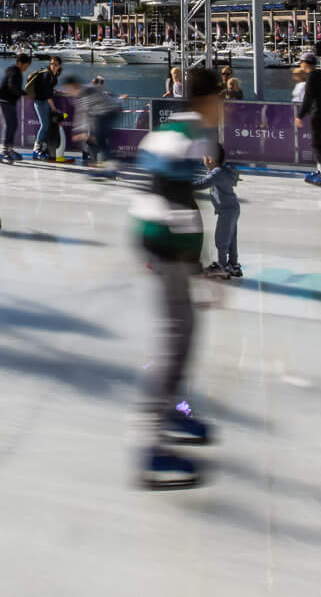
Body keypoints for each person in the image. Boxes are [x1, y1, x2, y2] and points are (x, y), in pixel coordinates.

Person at [134, 67, 223, 489]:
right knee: (178, 339)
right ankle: (153, 448)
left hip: (157, 237)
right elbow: (179, 200)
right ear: (208, 100)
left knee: (180, 335)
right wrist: (197, 267)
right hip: (167, 241)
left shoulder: (174, 126)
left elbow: (149, 167)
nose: (223, 108)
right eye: (221, 99)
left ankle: (170, 411)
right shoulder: (190, 135)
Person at [198, 140, 242, 280]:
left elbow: (203, 183)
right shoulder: (219, 171)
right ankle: (233, 265)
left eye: (204, 157)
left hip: (227, 210)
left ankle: (222, 266)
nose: (203, 160)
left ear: (210, 159)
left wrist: (185, 185)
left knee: (222, 238)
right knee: (231, 237)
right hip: (231, 207)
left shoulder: (216, 173)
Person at [294, 56, 321, 185]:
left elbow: (308, 97)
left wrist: (300, 115)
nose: (300, 64)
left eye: (301, 62)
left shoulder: (312, 77)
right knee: (320, 143)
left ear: (305, 63)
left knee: (317, 144)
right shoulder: (320, 75)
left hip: (318, 114)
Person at [78, 75, 122, 172]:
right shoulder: (95, 94)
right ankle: (96, 161)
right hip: (93, 122)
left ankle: (101, 162)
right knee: (93, 142)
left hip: (97, 122)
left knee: (98, 142)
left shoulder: (102, 94)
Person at [26, 55, 64, 161]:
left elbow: (49, 89)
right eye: (51, 63)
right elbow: (47, 93)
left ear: (59, 66)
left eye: (55, 64)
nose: (53, 66)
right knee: (44, 125)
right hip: (40, 101)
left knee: (47, 125)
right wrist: (53, 107)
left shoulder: (54, 75)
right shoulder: (47, 74)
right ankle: (36, 148)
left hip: (45, 101)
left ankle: (43, 148)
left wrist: (56, 92)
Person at [0, 55, 30, 163]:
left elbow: (14, 87)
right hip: (3, 100)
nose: (26, 68)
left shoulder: (14, 71)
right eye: (26, 65)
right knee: (9, 125)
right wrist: (24, 93)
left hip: (8, 101)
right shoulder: (15, 72)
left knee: (13, 125)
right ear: (19, 63)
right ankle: (3, 151)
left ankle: (8, 149)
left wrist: (21, 93)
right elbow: (12, 86)